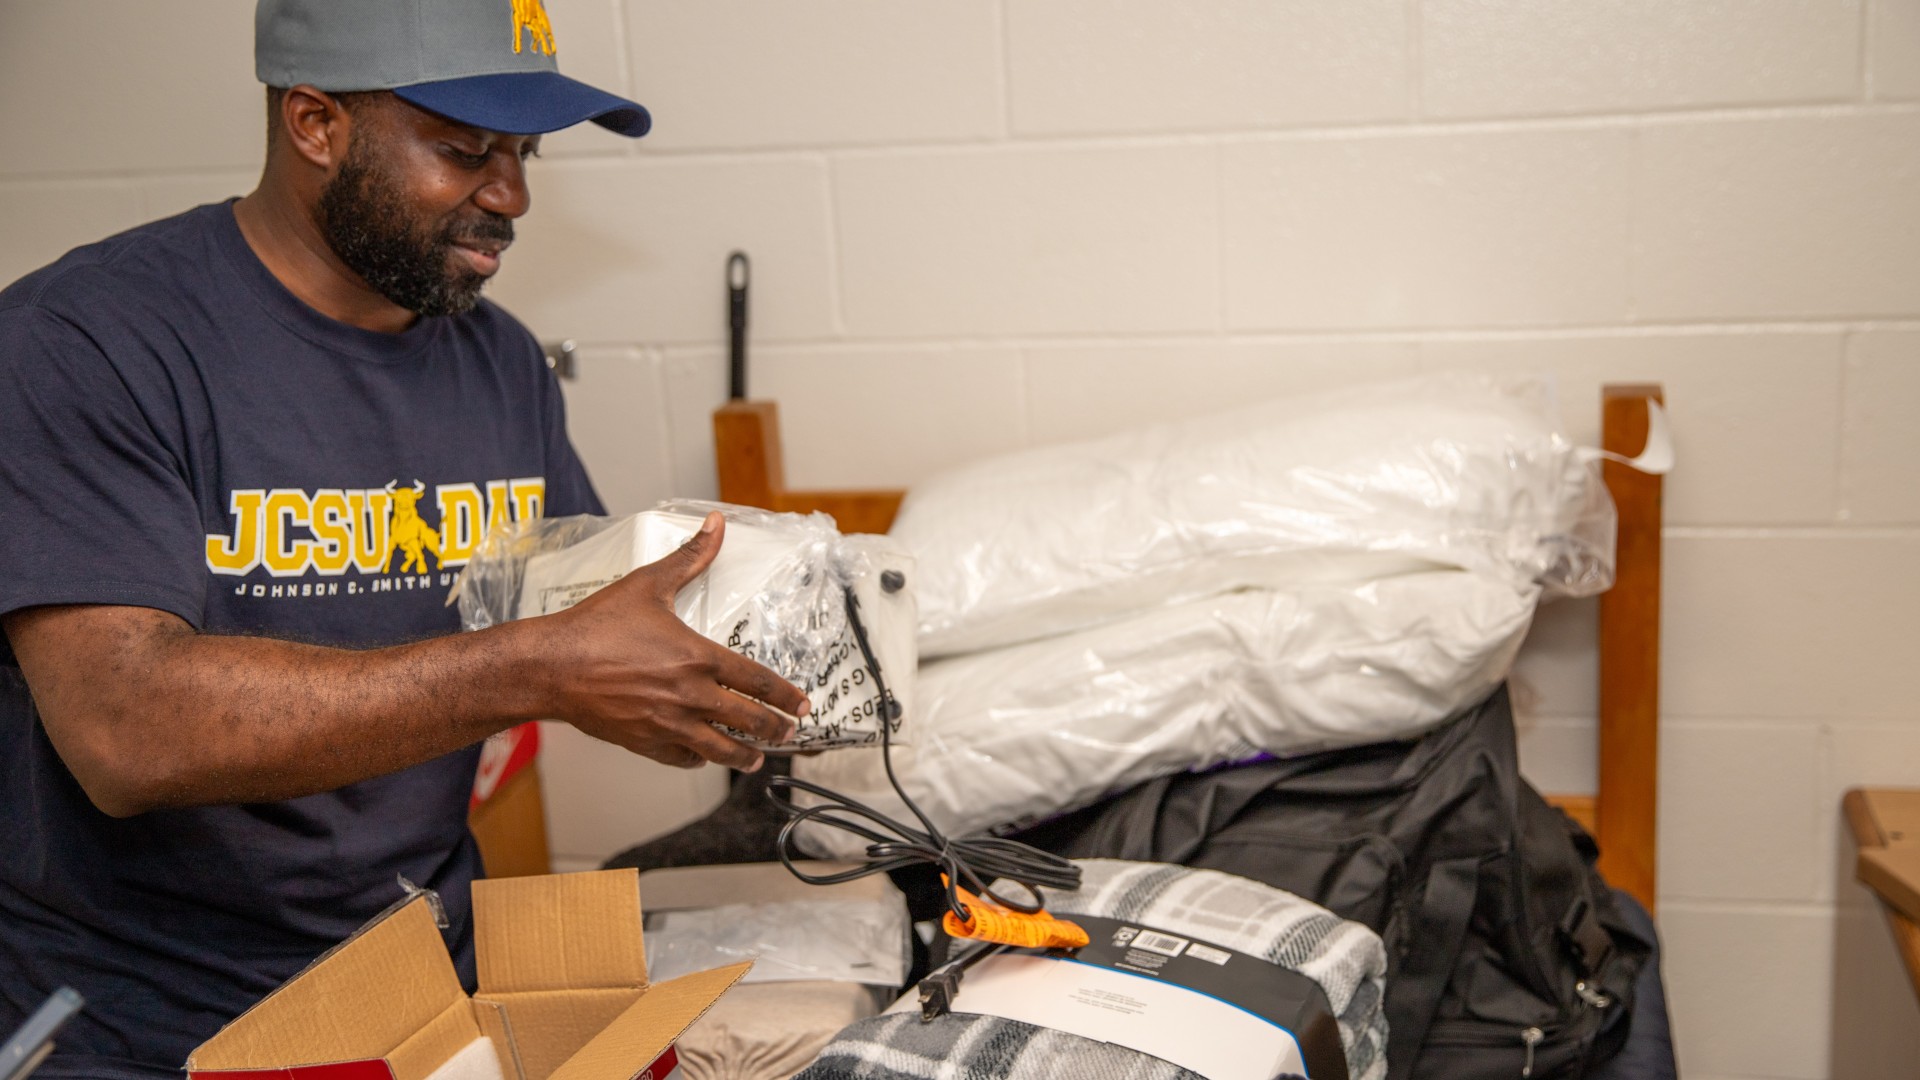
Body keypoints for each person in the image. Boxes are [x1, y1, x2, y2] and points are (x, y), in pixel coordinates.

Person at [0, 2, 808, 1076]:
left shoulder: (499, 360)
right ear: (316, 123)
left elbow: (568, 621)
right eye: (467, 150)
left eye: (523, 153)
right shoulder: (88, 344)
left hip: (425, 994)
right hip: (149, 1022)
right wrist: (540, 668)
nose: (512, 196)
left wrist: (754, 644)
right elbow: (127, 731)